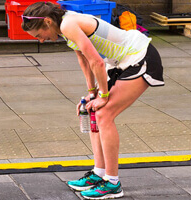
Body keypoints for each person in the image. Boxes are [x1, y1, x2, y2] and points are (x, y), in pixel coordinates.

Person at [22, 2, 164, 199]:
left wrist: (103, 96)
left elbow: (96, 61)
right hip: (121, 62)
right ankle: (99, 173)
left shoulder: (67, 25)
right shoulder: (63, 25)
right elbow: (83, 60)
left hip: (139, 56)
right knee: (92, 109)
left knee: (104, 114)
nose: (42, 40)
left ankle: (113, 183)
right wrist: (92, 93)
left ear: (47, 22)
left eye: (39, 35)